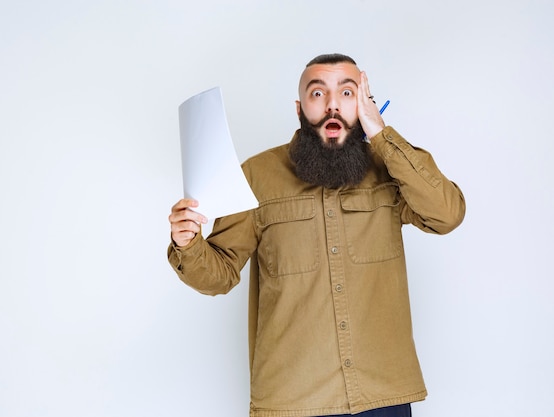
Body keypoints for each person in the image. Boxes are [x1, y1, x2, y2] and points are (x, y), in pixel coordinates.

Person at [167, 53, 466, 417]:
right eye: (318, 94)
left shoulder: (389, 171)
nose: (332, 106)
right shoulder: (256, 176)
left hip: (382, 394)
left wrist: (382, 134)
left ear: (364, 104)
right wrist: (188, 244)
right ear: (299, 108)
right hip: (293, 399)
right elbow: (219, 274)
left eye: (347, 93)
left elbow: (447, 214)